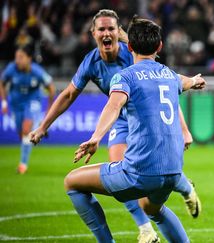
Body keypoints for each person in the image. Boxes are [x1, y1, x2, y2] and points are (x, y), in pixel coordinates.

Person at [29, 9, 201, 243]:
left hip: (138, 151)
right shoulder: (167, 73)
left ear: (128, 44)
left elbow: (113, 105)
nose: (107, 33)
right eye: (102, 29)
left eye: (112, 28)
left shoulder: (126, 74)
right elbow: (177, 84)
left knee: (73, 181)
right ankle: (152, 220)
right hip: (170, 164)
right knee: (151, 208)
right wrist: (194, 81)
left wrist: (97, 136)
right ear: (159, 47)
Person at [0, 45, 55, 174]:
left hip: (32, 102)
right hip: (15, 104)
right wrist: (3, 102)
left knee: (26, 130)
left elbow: (51, 88)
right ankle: (39, 129)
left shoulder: (37, 72)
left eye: (21, 57)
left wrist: (48, 111)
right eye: (16, 57)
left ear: (29, 58)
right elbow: (2, 83)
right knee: (23, 135)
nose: (17, 60)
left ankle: (22, 165)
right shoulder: (11, 69)